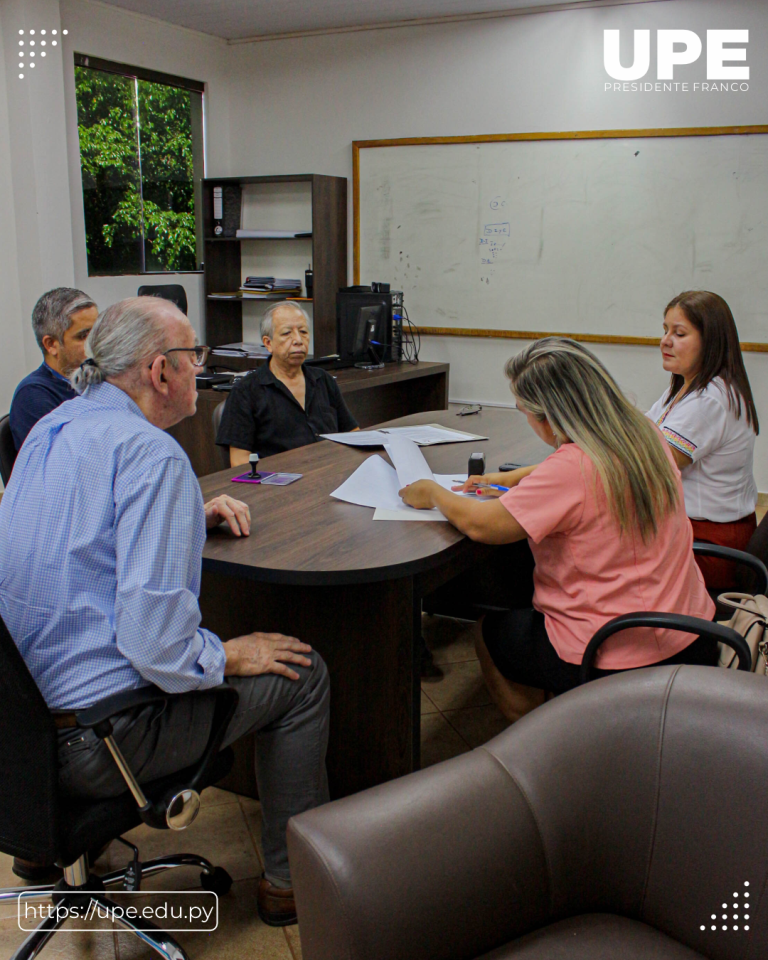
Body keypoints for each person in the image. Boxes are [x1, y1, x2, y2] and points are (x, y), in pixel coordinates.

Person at [0, 297, 329, 927]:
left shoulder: (51, 428)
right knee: (302, 673)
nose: (200, 369)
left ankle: (51, 854)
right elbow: (157, 651)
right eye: (194, 357)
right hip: (100, 740)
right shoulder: (152, 456)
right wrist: (231, 653)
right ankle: (291, 887)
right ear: (159, 372)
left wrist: (183, 516)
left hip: (20, 730)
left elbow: (70, 537)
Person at [400, 338, 715, 720]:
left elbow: (481, 524)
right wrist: (516, 477)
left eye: (526, 413)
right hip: (688, 629)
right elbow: (582, 468)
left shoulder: (571, 470)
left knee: (487, 631)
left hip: (614, 648)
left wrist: (433, 492)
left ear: (550, 416)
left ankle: (544, 740)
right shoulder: (644, 433)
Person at [646, 291, 759, 590]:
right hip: (693, 533)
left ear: (711, 341)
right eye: (665, 330)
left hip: (709, 547)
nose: (665, 341)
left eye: (679, 333)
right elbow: (635, 434)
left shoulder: (710, 400)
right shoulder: (686, 388)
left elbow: (646, 463)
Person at [216, 302, 358, 466]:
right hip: (280, 483)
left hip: (329, 474)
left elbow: (353, 433)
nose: (298, 340)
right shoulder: (246, 391)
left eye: (303, 332)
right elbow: (240, 462)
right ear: (268, 343)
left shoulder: (323, 380)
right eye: (287, 333)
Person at [9, 287, 98, 451]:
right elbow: (63, 462)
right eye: (83, 336)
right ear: (51, 345)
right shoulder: (33, 395)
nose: (95, 343)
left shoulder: (96, 380)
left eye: (97, 332)